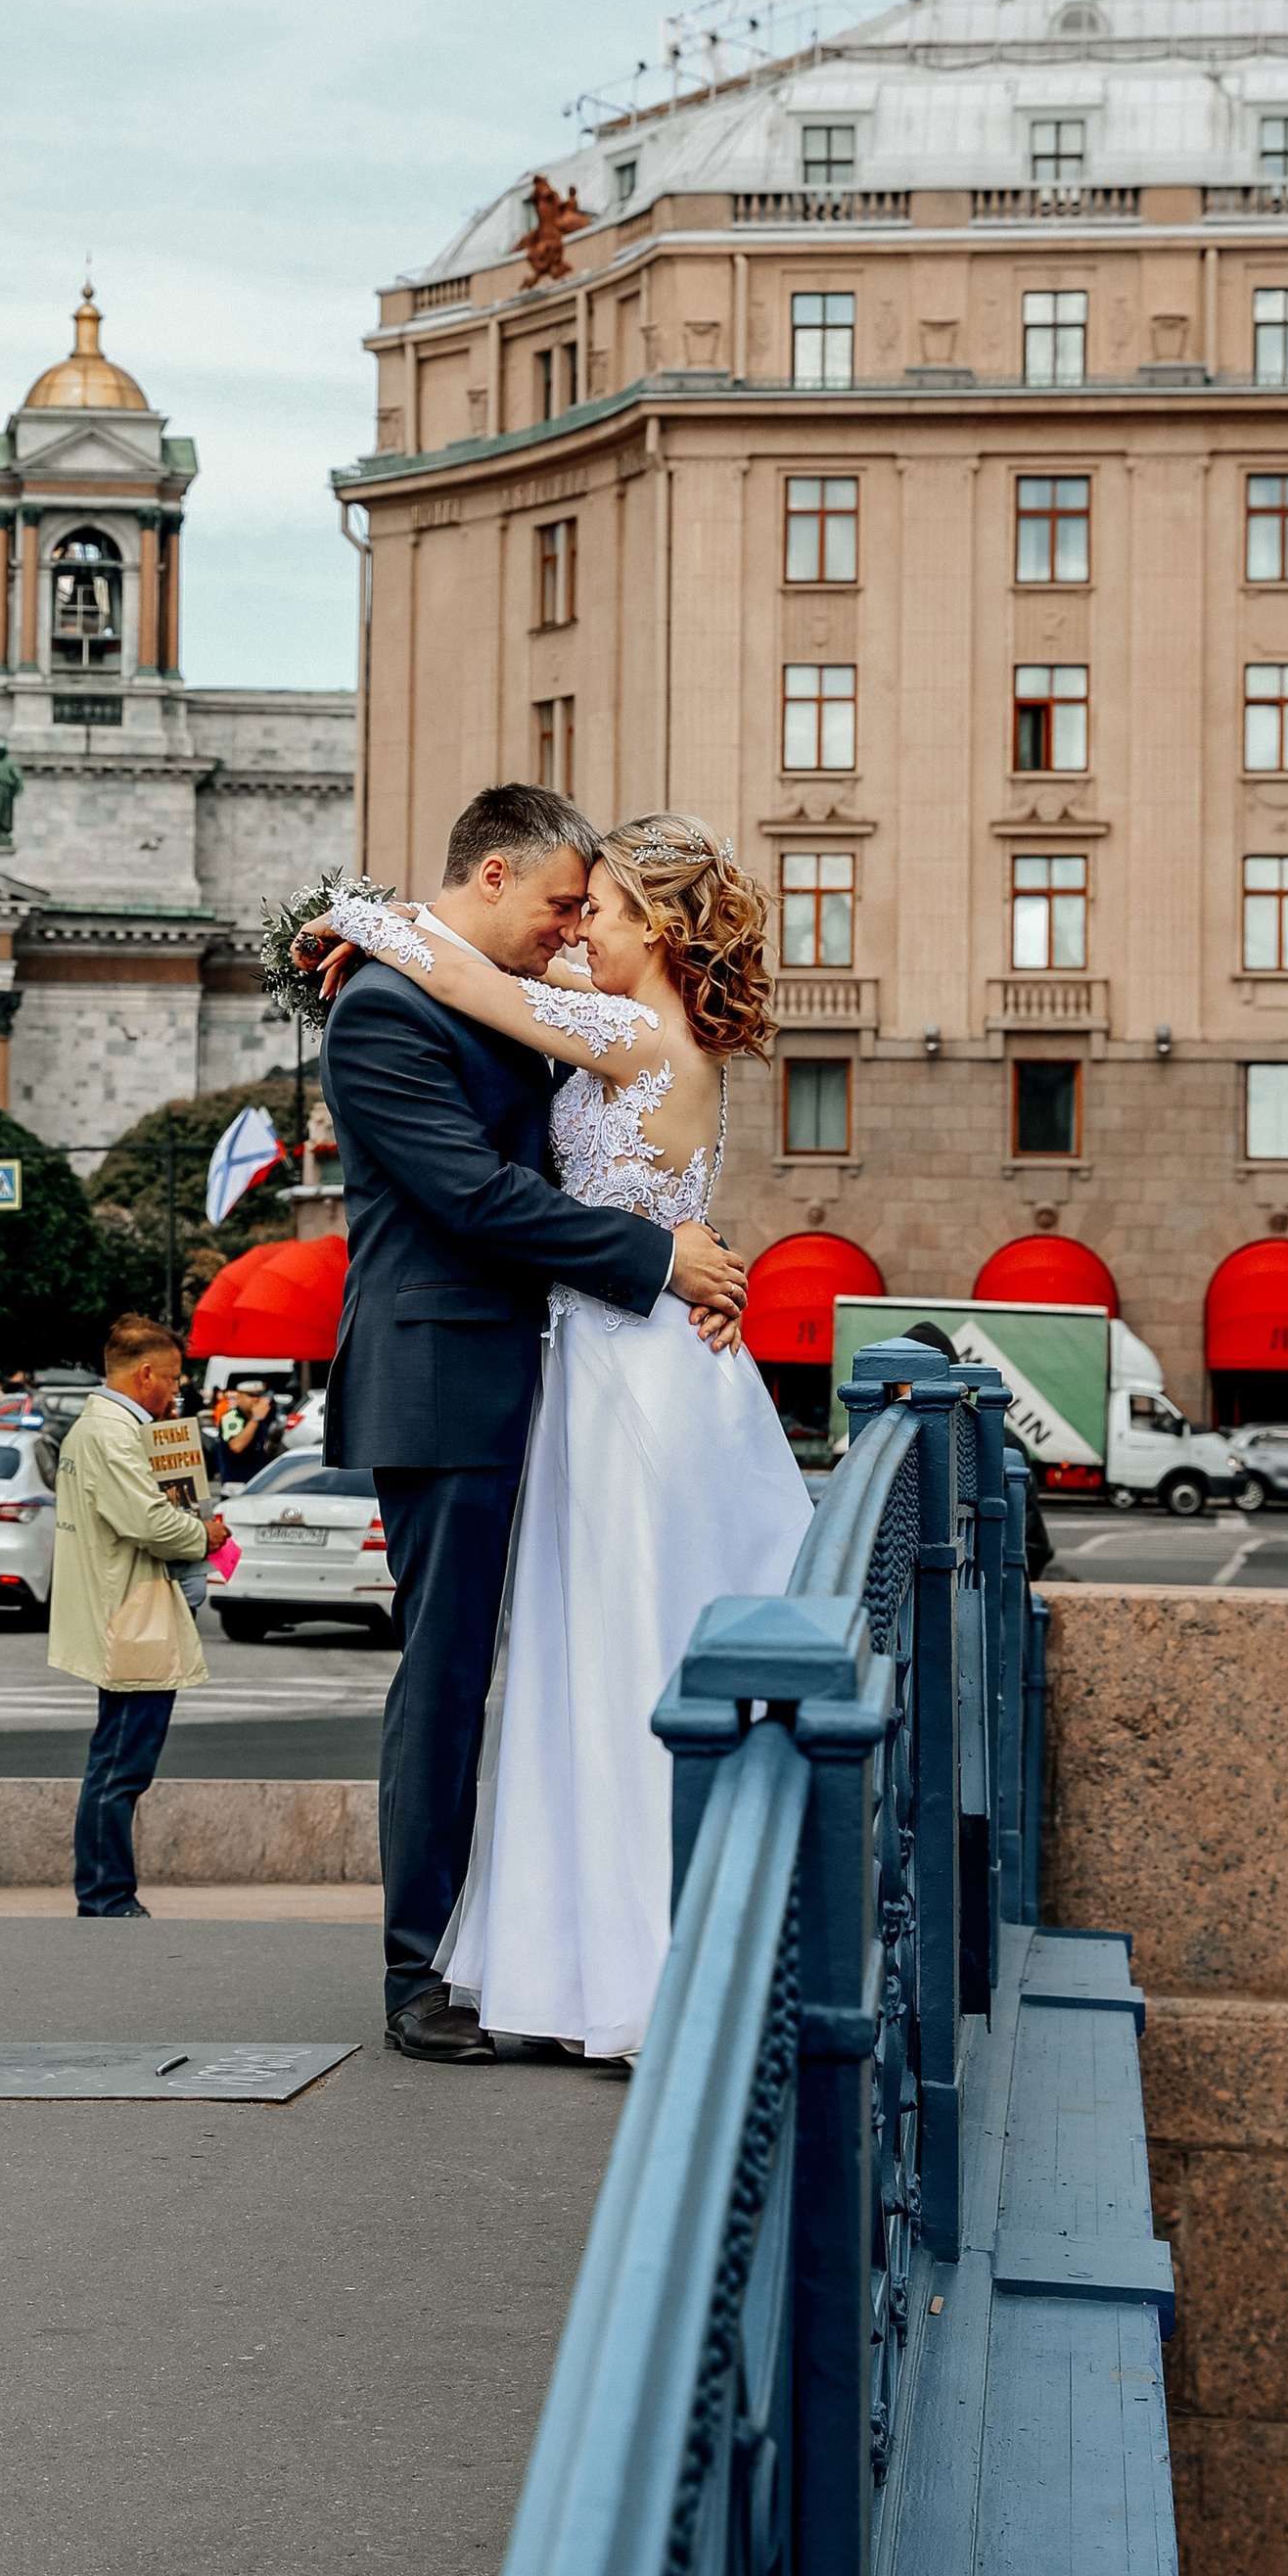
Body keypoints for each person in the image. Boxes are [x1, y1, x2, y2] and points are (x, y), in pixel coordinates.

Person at [318, 813, 806, 2063]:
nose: (571, 926)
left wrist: (354, 916)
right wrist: (668, 1260)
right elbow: (476, 1193)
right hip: (478, 1372)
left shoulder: (602, 1023)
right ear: (495, 875)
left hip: (610, 1374)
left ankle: (612, 1956)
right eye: (560, 903)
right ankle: (440, 1963)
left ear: (656, 927)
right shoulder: (396, 1013)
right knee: (495, 1671)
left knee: (610, 1658)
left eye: (595, 908)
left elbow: (490, 997)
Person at [47, 1313, 232, 1918]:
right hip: (133, 1617)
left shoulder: (99, 1429)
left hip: (119, 1608)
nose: (176, 1391)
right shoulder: (114, 1434)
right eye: (173, 1378)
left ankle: (104, 1892)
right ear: (145, 1372)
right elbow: (148, 1522)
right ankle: (106, 1896)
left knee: (115, 1763)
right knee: (121, 1769)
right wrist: (204, 1533)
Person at [208, 1374, 285, 1487]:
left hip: (258, 1482)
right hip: (236, 1483)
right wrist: (255, 1420)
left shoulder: (261, 1419)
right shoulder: (232, 1417)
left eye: (259, 1395)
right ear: (239, 1397)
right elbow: (236, 1446)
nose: (256, 1399)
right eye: (251, 1395)